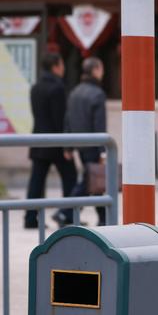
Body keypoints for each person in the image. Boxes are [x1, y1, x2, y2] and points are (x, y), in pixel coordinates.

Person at [24, 52, 76, 229]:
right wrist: (67, 146)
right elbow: (60, 119)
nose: (63, 68)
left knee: (36, 181)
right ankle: (68, 215)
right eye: (62, 64)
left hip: (39, 140)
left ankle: (30, 218)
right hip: (56, 142)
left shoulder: (36, 87)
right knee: (70, 177)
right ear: (55, 66)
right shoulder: (58, 88)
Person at [55, 56, 107, 227]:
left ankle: (103, 218)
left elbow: (67, 120)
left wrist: (68, 146)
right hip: (93, 145)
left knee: (94, 181)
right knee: (89, 182)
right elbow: (99, 125)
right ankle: (64, 212)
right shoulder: (97, 94)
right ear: (95, 70)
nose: (103, 72)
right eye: (101, 68)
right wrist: (103, 150)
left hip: (79, 143)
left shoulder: (75, 92)